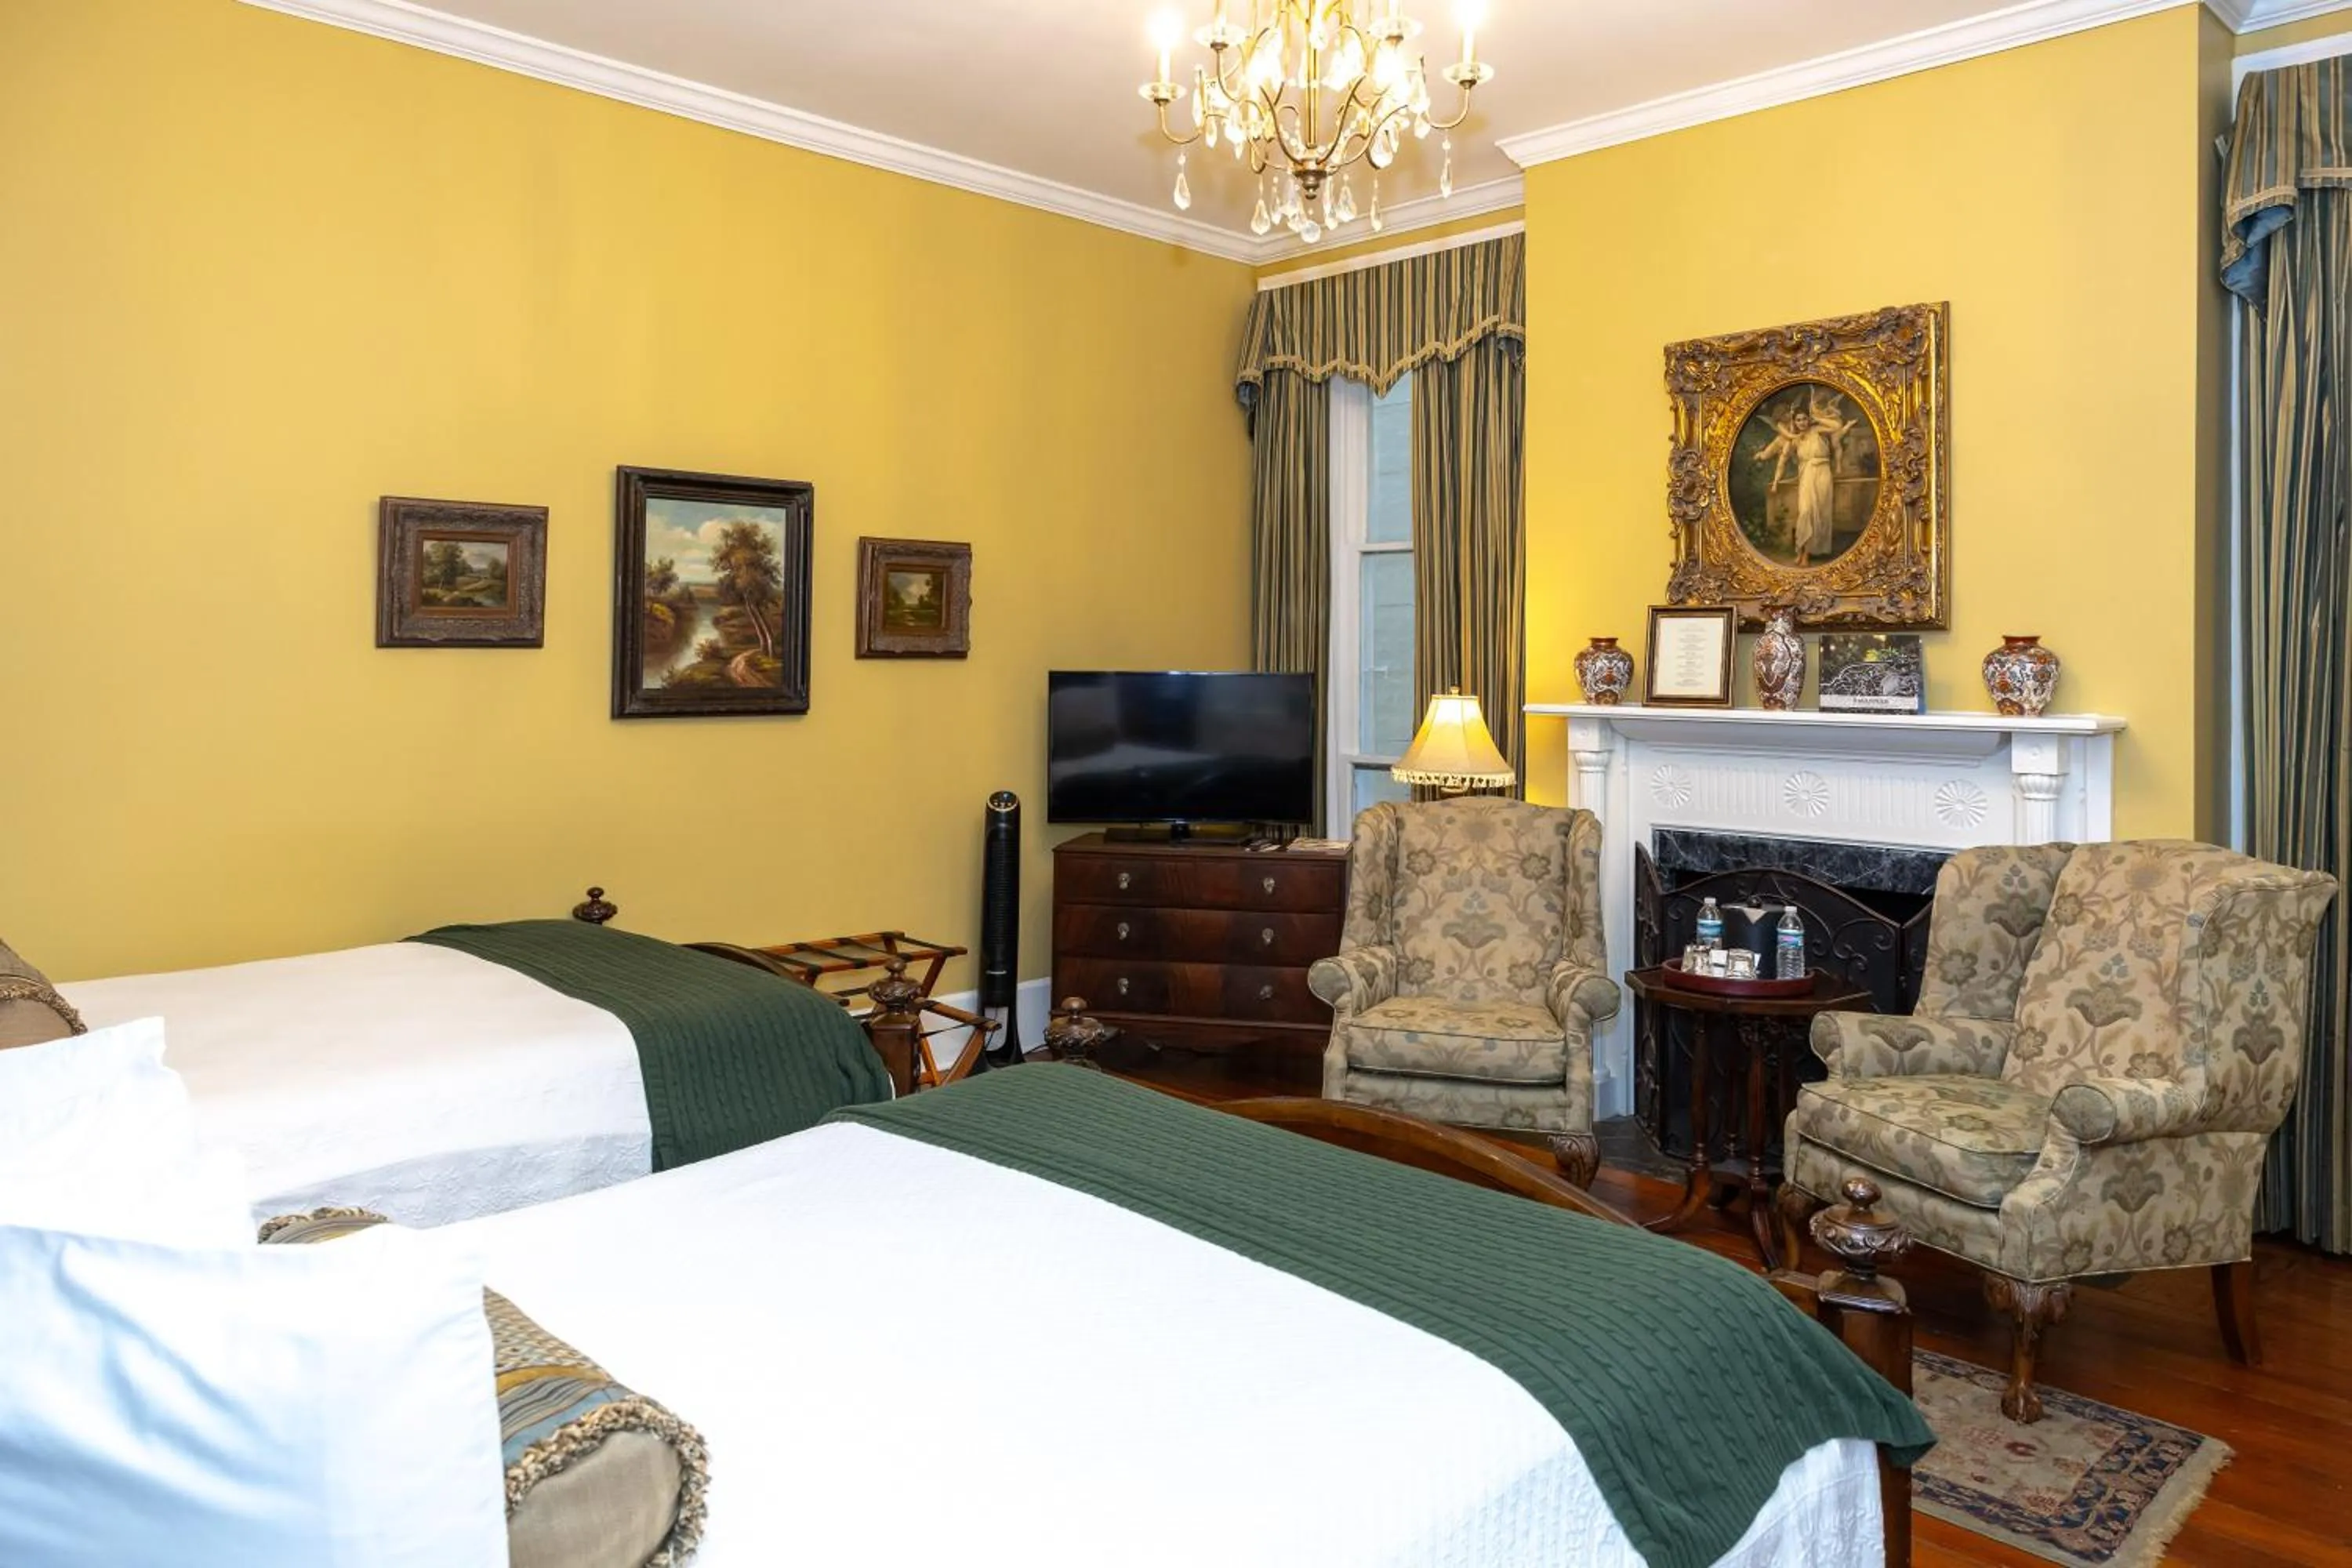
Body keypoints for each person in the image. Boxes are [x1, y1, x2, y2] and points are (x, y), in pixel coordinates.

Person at [1753, 388, 1857, 566]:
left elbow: (1837, 426)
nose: (1802, 422)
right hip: (1807, 474)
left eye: (1804, 419)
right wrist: (1772, 473)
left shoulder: (1818, 430)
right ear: (1794, 421)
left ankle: (1805, 552)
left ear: (1809, 419)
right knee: (1806, 512)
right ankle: (1802, 551)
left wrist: (1817, 419)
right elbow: (1781, 460)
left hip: (1823, 474)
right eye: (1798, 420)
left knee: (1820, 513)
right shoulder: (1794, 439)